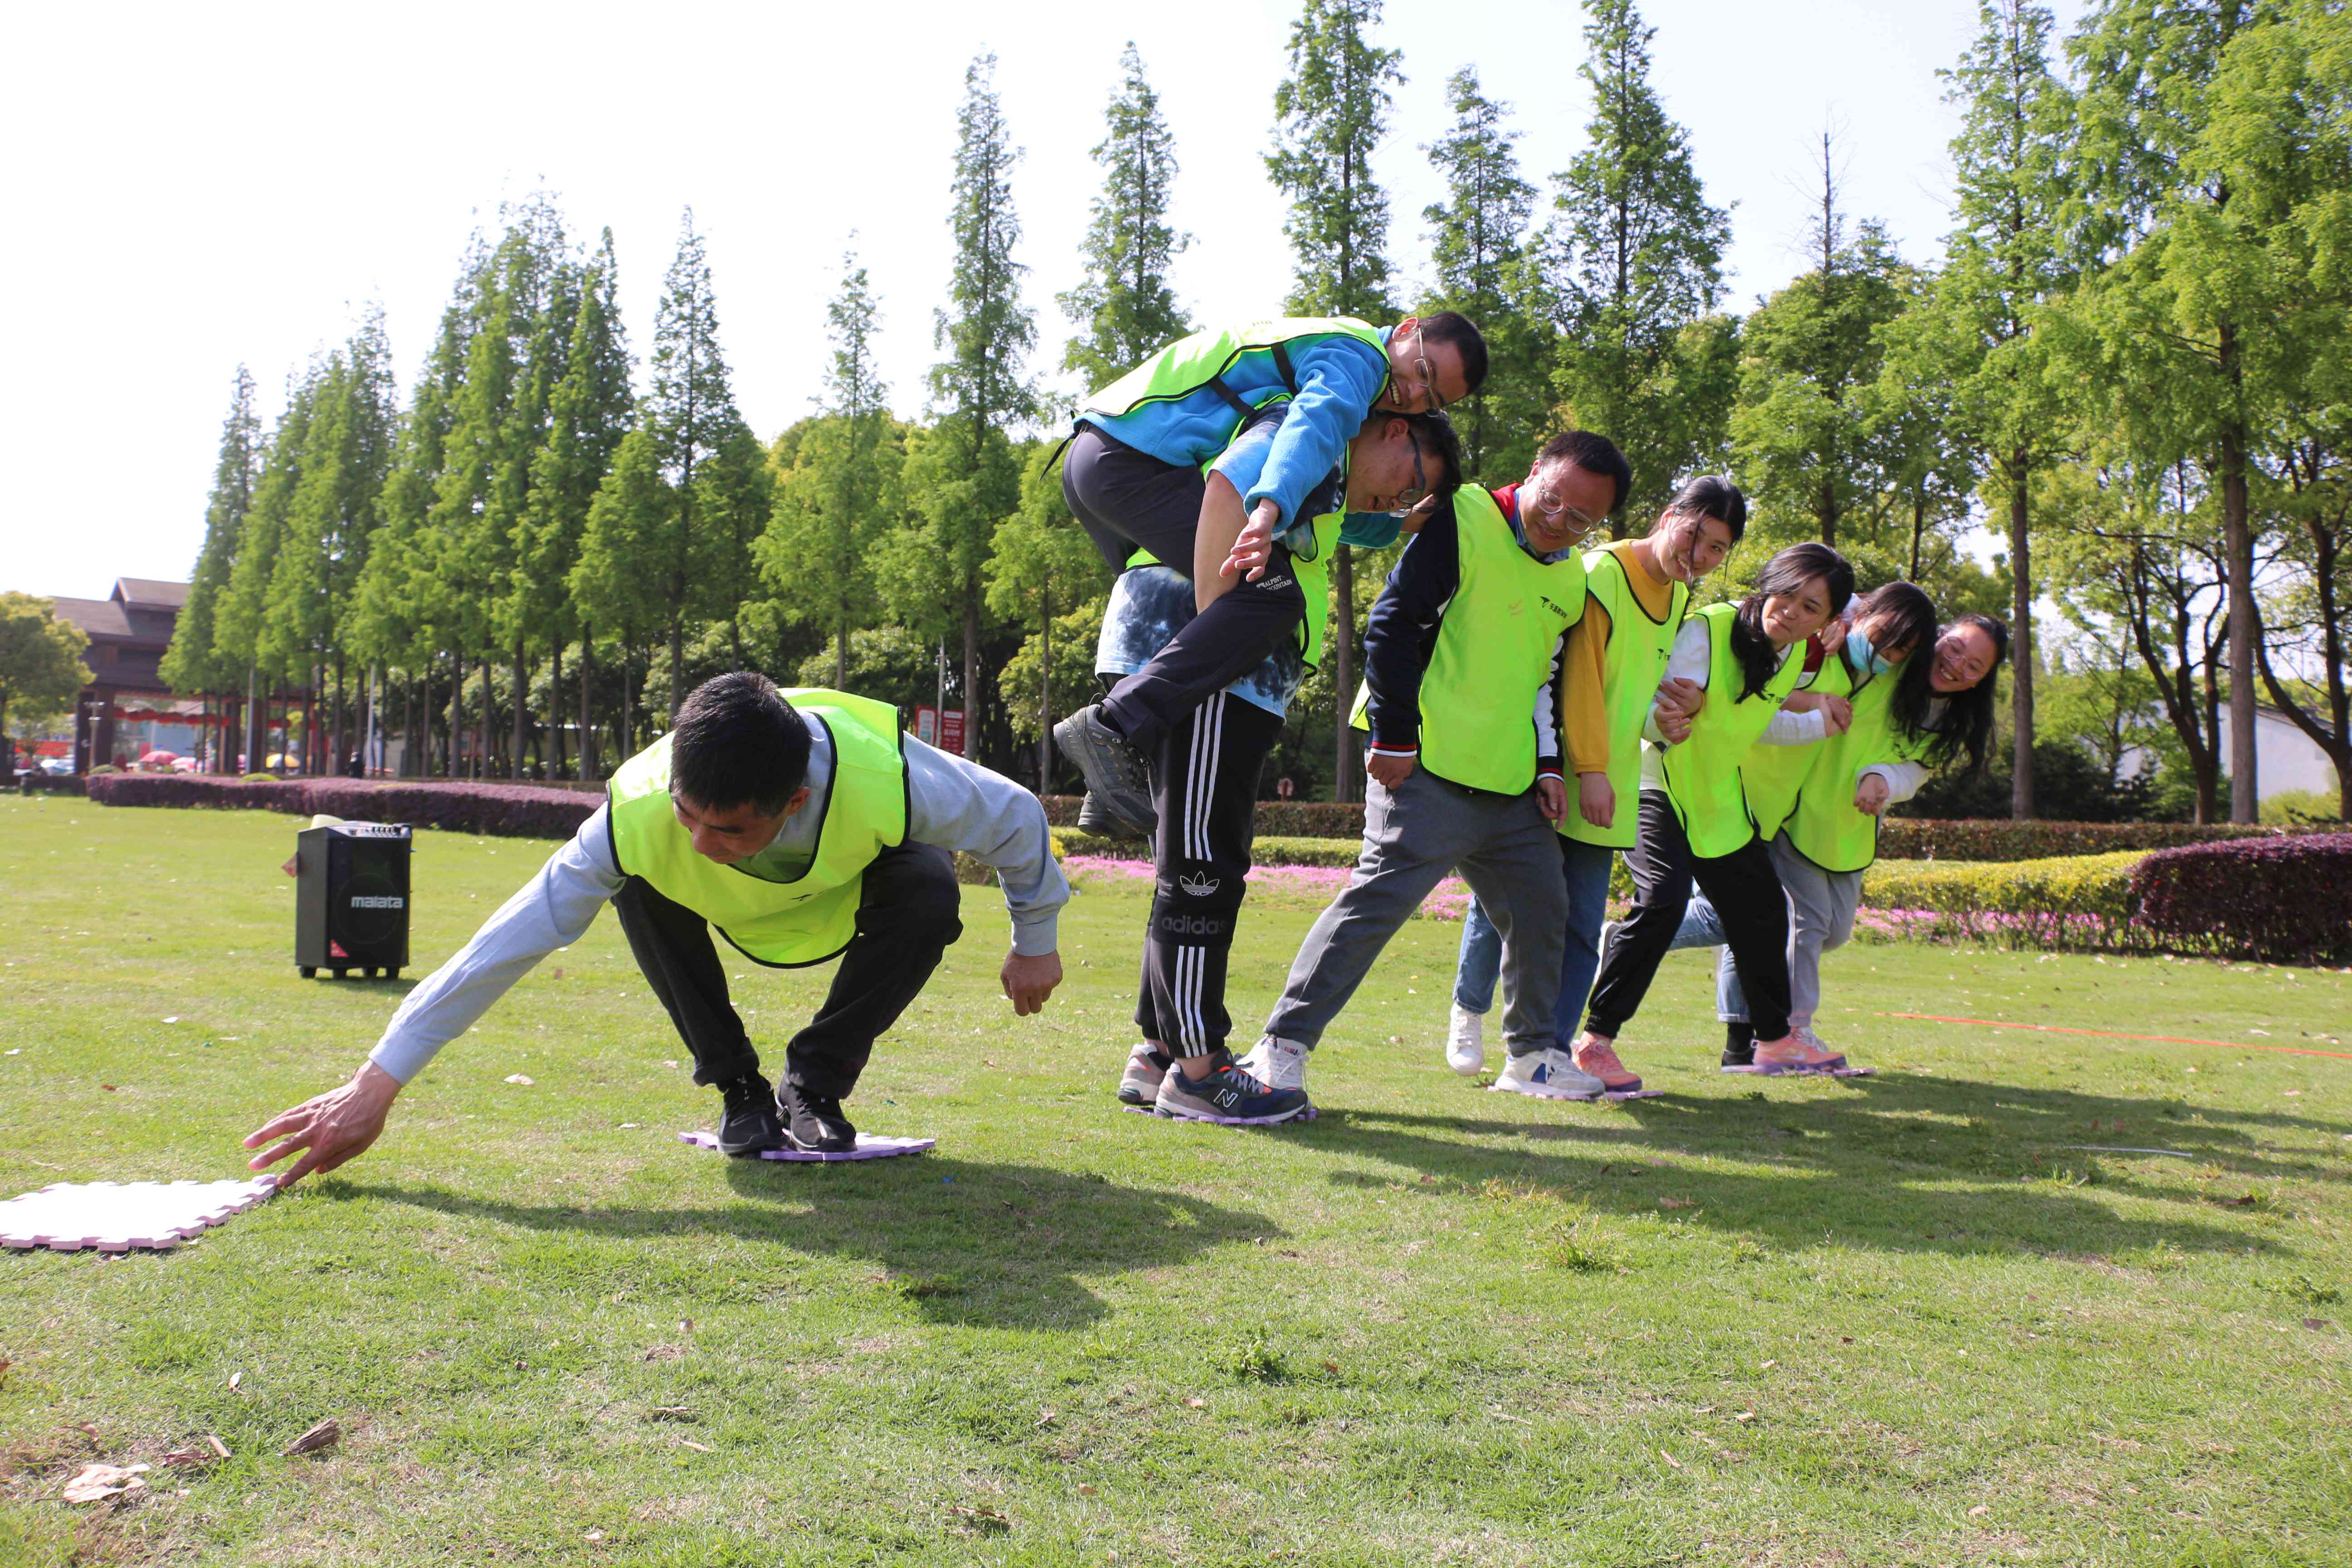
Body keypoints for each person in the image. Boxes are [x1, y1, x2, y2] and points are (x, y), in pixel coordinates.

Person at [243, 675, 1070, 1184]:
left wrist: (1035, 939)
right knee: (636, 874)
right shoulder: (638, 814)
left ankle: (812, 1086)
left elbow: (1016, 817)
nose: (701, 844)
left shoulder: (884, 771)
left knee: (929, 885)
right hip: (694, 914)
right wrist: (375, 1083)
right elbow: (507, 941)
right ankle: (741, 1094)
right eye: (688, 816)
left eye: (728, 830)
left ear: (792, 799)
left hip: (842, 893)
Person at [1228, 430, 1632, 1110]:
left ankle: (1533, 1056)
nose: (1559, 520)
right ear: (1535, 471)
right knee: (1375, 905)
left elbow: (1543, 681)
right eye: (1553, 499)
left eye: (1581, 519)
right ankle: (1281, 1049)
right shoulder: (1465, 515)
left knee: (1544, 912)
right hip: (1422, 764)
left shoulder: (1569, 579)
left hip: (1508, 785)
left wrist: (1551, 768)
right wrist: (1393, 734)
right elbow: (1394, 625)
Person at [1109, 403, 1463, 1123]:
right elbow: (1222, 489)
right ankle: (1197, 1069)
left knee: (1204, 860)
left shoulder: (1329, 486)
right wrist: (1217, 634)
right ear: (1397, 431)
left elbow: (1367, 521)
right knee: (1201, 865)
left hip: (1240, 680)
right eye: (1408, 481)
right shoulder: (1300, 440)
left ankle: (1159, 1055)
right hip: (1209, 669)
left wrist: (1406, 519)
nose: (1399, 500)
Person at [1054, 314, 1488, 837]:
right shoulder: (1360, 358)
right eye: (1423, 369)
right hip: (1132, 462)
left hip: (1102, 456)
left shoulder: (1341, 351)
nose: (1414, 393)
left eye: (1432, 399)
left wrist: (1406, 517)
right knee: (1272, 600)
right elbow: (1313, 425)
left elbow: (1342, 513)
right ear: (1406, 329)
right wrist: (1267, 509)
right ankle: (1111, 726)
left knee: (1239, 609)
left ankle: (1107, 788)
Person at [1443, 475, 1745, 1084]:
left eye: (1718, 549)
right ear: (1669, 515)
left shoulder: (1681, 600)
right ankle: (1469, 1011)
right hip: (1553, 768)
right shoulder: (1602, 572)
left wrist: (1667, 723)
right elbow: (1573, 680)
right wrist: (1588, 768)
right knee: (1505, 905)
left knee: (1582, 922)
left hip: (1612, 778)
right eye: (1696, 534)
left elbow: (1635, 690)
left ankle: (1549, 1052)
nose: (1701, 555)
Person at [1665, 598, 2009, 1069]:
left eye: (1974, 667)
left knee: (1822, 932)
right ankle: (1785, 1032)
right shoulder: (1884, 661)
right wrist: (1841, 615)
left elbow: (1915, 769)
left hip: (1843, 826)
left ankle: (1643, 949)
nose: (1956, 666)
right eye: (1953, 649)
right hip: (1783, 807)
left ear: (1983, 679)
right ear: (1937, 638)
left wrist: (1884, 779)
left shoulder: (1948, 716)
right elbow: (1852, 606)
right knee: (1782, 924)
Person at [1568, 542, 1857, 1089]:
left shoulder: (1793, 655)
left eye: (1811, 607)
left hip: (1717, 796)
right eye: (1787, 594)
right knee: (1663, 902)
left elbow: (1751, 723)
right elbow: (1662, 705)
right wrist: (1675, 714)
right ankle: (1594, 1042)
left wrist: (1819, 721)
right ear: (1768, 583)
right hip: (1660, 781)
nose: (1791, 611)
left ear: (1828, 620)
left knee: (1764, 908)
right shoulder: (1709, 628)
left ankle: (1774, 1042)